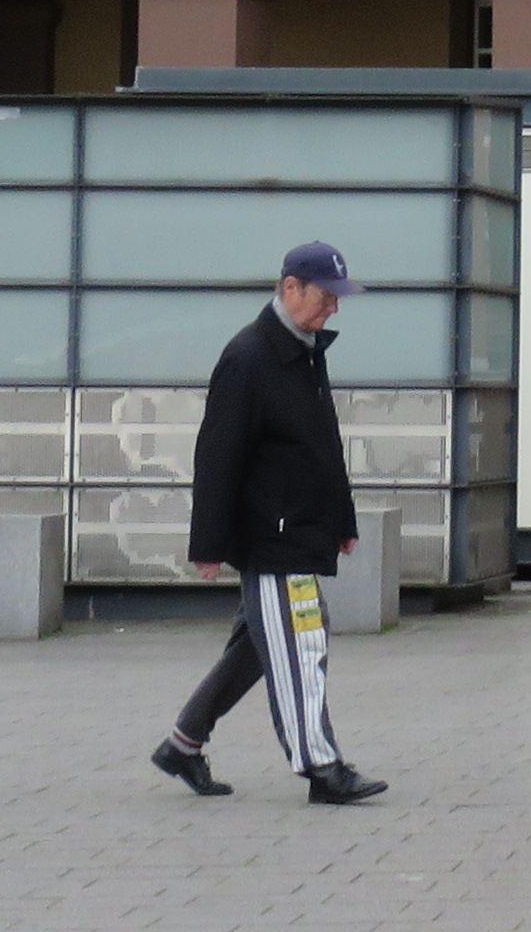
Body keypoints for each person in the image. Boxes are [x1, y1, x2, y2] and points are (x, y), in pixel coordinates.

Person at [150, 239, 387, 805]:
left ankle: (182, 744)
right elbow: (217, 455)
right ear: (290, 288)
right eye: (326, 297)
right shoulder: (250, 356)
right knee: (302, 642)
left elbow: (322, 446)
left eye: (338, 298)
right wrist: (207, 543)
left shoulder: (304, 351)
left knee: (260, 645)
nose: (334, 308)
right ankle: (320, 766)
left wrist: (342, 519)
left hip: (301, 526)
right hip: (273, 533)